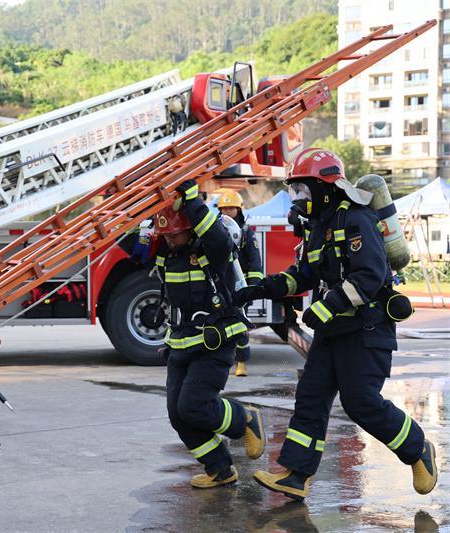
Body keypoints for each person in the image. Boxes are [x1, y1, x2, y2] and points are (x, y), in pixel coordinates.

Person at [235, 148, 438, 501]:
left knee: (361, 403)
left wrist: (327, 306)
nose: (298, 198)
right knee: (310, 398)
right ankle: (296, 475)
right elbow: (305, 274)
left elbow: (369, 275)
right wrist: (264, 287)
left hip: (366, 329)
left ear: (325, 187)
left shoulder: (357, 219)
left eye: (303, 189)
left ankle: (418, 448)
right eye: (295, 190)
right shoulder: (318, 228)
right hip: (333, 331)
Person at [155, 179, 265, 488]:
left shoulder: (213, 250)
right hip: (179, 343)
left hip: (213, 342)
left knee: (194, 405)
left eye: (175, 233)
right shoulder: (167, 253)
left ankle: (245, 418)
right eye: (166, 235)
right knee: (178, 415)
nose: (170, 239)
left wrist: (192, 202)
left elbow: (217, 237)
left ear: (191, 229)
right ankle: (220, 469)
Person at [216, 189, 263, 377]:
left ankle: (241, 362)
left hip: (239, 286)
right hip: (221, 285)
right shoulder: (216, 231)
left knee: (240, 325)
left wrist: (253, 287)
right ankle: (223, 360)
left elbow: (255, 261)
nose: (227, 212)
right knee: (220, 323)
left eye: (231, 208)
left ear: (239, 210)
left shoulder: (246, 232)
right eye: (224, 208)